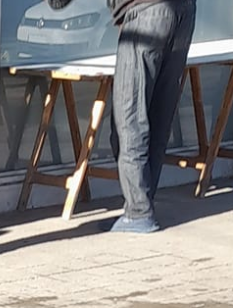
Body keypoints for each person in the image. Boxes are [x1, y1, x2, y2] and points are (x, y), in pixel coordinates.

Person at [51, 0, 197, 233]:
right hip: (183, 11)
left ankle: (139, 211)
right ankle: (142, 205)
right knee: (158, 113)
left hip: (147, 12)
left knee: (130, 117)